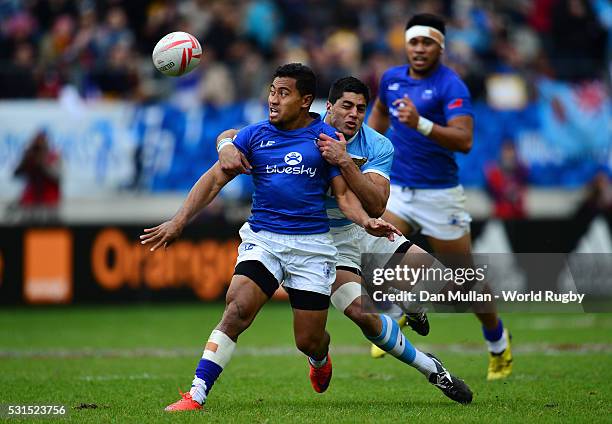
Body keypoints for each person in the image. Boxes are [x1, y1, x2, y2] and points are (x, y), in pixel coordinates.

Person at [140, 63, 400, 411]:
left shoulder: (326, 141)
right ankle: (196, 393)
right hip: (264, 239)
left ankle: (319, 357)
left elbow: (343, 197)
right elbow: (215, 178)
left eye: (283, 93)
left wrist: (366, 222)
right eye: (272, 91)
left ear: (305, 100)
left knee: (308, 340)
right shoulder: (255, 135)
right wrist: (179, 220)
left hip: (311, 246)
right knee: (237, 308)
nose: (273, 100)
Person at [218, 76, 473, 404]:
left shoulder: (378, 145)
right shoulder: (304, 131)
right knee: (360, 312)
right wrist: (225, 146)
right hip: (325, 242)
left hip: (365, 229)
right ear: (329, 107)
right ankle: (432, 369)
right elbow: (231, 135)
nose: (354, 114)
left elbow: (376, 204)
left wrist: (342, 160)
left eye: (361, 109)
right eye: (346, 106)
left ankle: (412, 305)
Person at [367, 13, 513, 380]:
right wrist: (364, 150)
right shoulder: (391, 79)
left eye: (427, 42)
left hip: (440, 194)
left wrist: (421, 123)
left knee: (464, 279)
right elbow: (380, 115)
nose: (419, 49)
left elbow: (464, 141)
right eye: (414, 42)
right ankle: (403, 311)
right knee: (377, 251)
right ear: (405, 44)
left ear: (440, 47)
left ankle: (497, 341)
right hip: (398, 188)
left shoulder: (452, 86)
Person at [12, 130, 61, 222]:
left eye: (41, 144)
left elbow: (57, 177)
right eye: (36, 145)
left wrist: (43, 165)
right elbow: (16, 174)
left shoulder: (54, 157)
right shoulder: (30, 157)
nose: (39, 148)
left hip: (49, 203)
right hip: (30, 202)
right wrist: (25, 161)